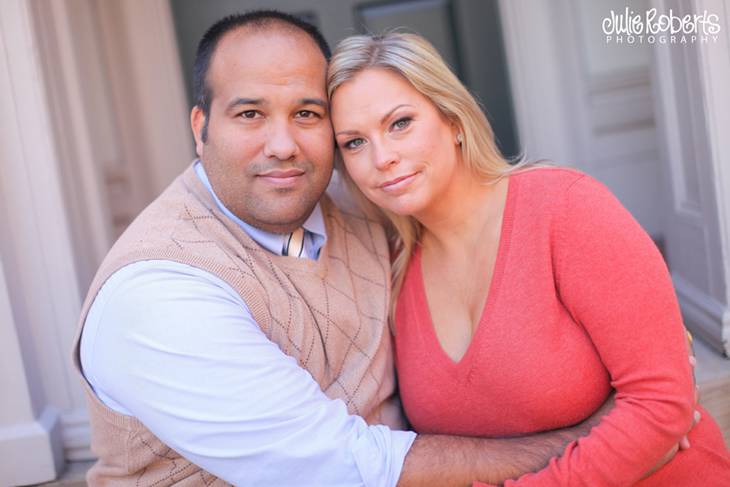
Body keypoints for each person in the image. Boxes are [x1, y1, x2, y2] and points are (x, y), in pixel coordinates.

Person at [71, 11, 620, 487]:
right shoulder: (158, 291)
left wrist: (629, 330)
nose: (283, 145)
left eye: (307, 114)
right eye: (250, 114)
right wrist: (585, 438)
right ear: (201, 126)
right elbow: (337, 470)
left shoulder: (365, 202)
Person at [328, 32, 730, 486]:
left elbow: (663, 402)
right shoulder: (394, 272)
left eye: (400, 123)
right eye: (354, 143)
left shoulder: (566, 209)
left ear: (453, 120)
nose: (383, 157)